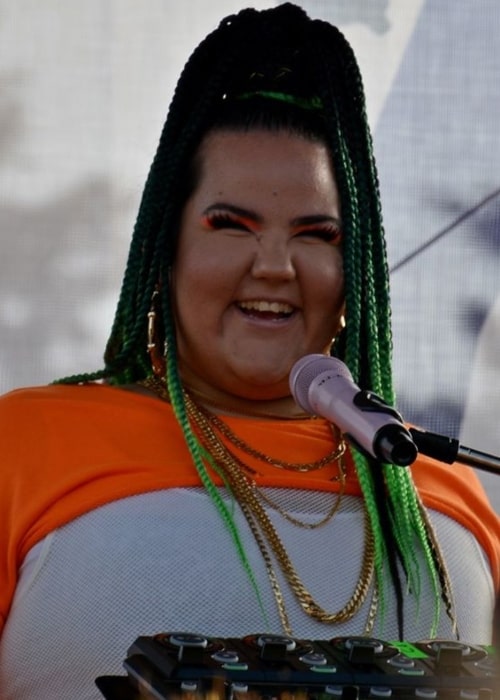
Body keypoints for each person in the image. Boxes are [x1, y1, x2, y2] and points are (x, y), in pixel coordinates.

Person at [0, 4, 498, 699]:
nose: (274, 265)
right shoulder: (23, 446)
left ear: (352, 269)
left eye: (316, 233)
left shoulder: (444, 486)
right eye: (231, 224)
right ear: (164, 252)